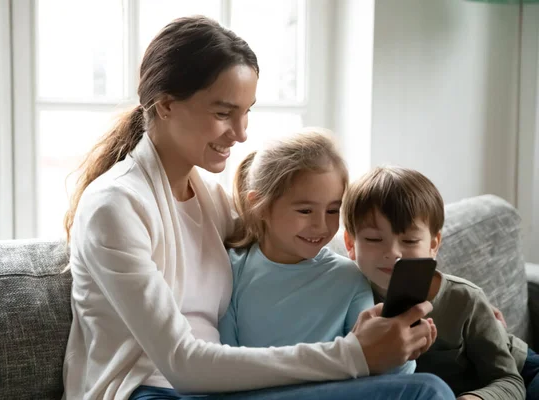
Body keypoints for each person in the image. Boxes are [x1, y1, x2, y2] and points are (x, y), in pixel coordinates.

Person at [62, 16, 454, 400]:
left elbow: (292, 246)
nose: (242, 132)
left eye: (247, 111)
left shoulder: (210, 201)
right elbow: (183, 363)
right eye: (223, 113)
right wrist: (353, 354)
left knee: (426, 388)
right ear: (165, 105)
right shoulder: (115, 206)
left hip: (219, 390)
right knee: (423, 392)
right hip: (149, 391)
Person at [218, 129, 416, 375]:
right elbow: (223, 364)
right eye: (305, 211)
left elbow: (380, 374)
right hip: (253, 393)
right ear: (258, 206)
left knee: (428, 387)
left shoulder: (349, 278)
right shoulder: (232, 270)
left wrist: (402, 347)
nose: (321, 226)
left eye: (333, 211)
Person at [341, 165, 539, 400]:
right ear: (351, 244)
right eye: (374, 239)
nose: (393, 252)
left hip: (521, 372)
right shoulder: (347, 296)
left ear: (433, 244)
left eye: (409, 240)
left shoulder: (465, 299)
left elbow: (509, 381)